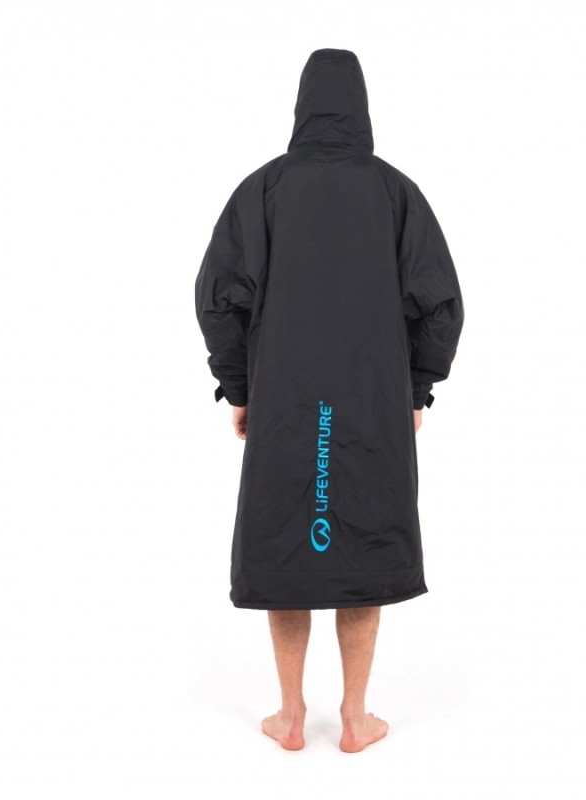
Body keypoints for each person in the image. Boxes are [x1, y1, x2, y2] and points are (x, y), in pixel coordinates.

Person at [194, 48, 464, 752]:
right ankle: (354, 716)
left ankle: (289, 716)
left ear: (302, 105)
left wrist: (241, 387)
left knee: (288, 548)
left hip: (287, 404)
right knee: (361, 548)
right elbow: (440, 304)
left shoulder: (264, 190)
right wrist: (415, 388)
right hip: (371, 404)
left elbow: (217, 297)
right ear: (362, 106)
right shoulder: (395, 193)